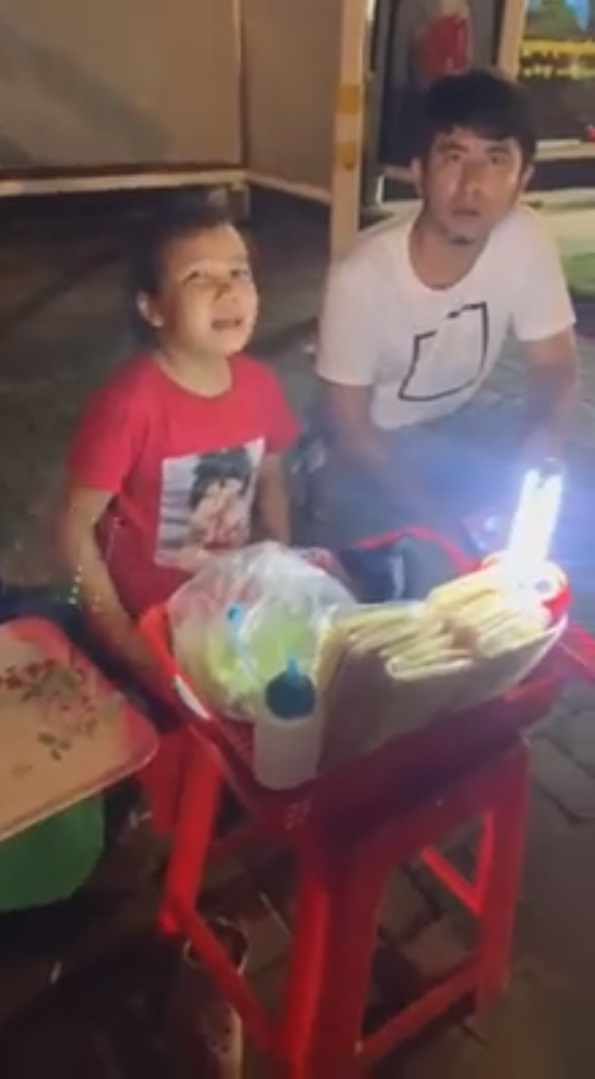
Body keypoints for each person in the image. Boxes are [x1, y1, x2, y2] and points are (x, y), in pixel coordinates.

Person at [304, 68, 577, 583]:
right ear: (418, 171)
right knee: (425, 573)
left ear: (523, 178)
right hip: (372, 447)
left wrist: (542, 440)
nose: (471, 185)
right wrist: (441, 522)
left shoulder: (525, 238)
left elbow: (554, 363)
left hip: (463, 421)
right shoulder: (362, 277)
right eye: (453, 157)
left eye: (495, 160)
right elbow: (353, 430)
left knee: (564, 528)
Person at [61, 197, 298, 693]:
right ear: (153, 308)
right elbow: (72, 529)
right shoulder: (128, 406)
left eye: (239, 272)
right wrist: (126, 641)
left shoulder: (260, 386)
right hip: (149, 622)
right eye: (199, 278)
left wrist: (276, 570)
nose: (228, 291)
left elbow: (271, 478)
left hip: (227, 607)